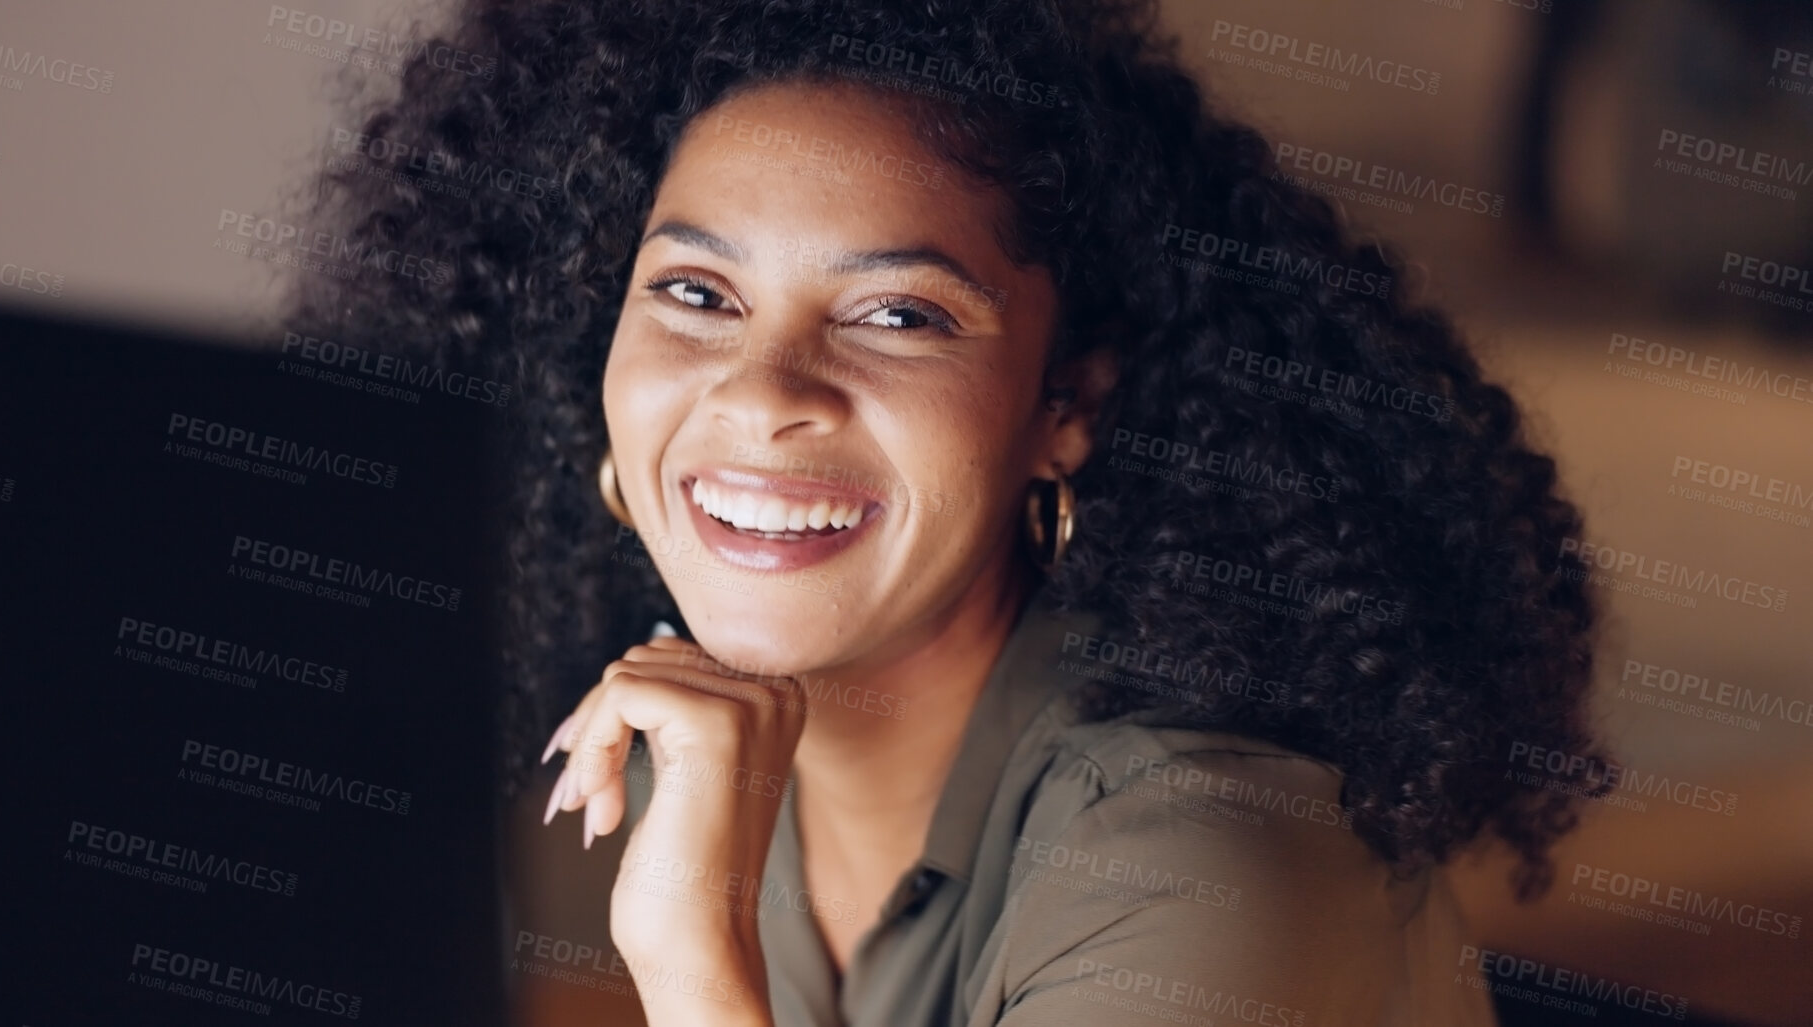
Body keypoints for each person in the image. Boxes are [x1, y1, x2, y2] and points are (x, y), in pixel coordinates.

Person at [289, 1, 1615, 1024]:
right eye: (696, 294)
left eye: (899, 316)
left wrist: (697, 959)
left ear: (1064, 409)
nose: (764, 395)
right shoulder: (727, 757)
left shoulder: (1207, 863)